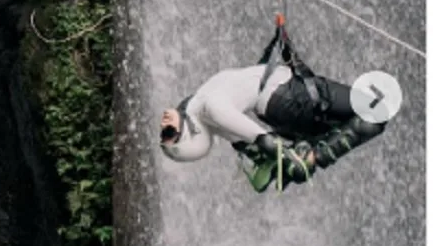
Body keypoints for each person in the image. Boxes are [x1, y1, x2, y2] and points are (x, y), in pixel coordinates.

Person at [158, 25, 387, 192]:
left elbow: (247, 84)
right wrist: (295, 163)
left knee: (334, 126)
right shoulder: (212, 109)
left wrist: (276, 46)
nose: (163, 124)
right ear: (189, 134)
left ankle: (312, 148)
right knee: (376, 112)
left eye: (163, 133)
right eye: (168, 132)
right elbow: (262, 139)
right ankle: (316, 155)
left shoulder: (201, 109)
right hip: (288, 97)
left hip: (279, 103)